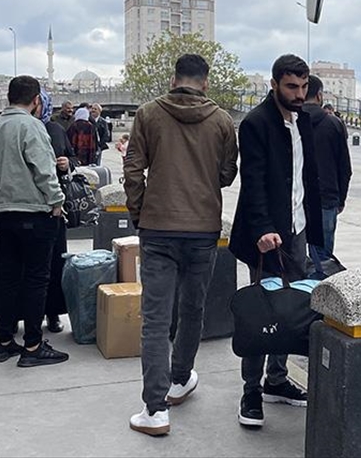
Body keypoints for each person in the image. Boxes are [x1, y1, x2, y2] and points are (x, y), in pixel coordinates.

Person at [124, 53, 239, 436]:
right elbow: (226, 174)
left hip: (157, 227)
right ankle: (180, 378)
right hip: (203, 228)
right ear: (205, 82)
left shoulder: (148, 114)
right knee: (193, 308)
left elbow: (133, 169)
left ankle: (155, 410)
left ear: (174, 79)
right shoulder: (222, 121)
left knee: (155, 319)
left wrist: (139, 211)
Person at [229, 54, 320, 429]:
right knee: (263, 311)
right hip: (266, 236)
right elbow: (253, 183)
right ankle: (251, 390)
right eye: (291, 87)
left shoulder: (305, 121)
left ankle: (277, 380)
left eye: (303, 87)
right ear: (274, 85)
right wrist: (264, 228)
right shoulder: (256, 123)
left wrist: (317, 228)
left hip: (297, 230)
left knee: (293, 309)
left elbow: (306, 178)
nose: (299, 94)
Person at [0, 75, 69, 368]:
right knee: (36, 278)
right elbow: (44, 169)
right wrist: (57, 201)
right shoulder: (32, 126)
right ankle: (32, 345)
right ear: (36, 100)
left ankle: (3, 343)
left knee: (5, 277)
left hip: (1, 212)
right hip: (34, 212)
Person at [301, 75, 351, 279]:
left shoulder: (291, 122)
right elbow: (344, 168)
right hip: (326, 198)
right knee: (323, 259)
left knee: (294, 256)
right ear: (320, 95)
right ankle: (319, 302)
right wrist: (340, 200)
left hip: (295, 199)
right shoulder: (334, 125)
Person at [39, 87, 75, 333]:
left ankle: (53, 314)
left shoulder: (56, 130)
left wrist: (66, 164)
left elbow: (72, 158)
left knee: (55, 263)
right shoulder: (24, 129)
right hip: (32, 204)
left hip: (55, 207)